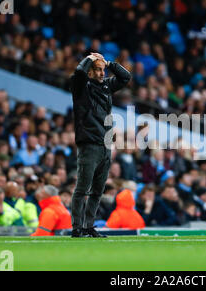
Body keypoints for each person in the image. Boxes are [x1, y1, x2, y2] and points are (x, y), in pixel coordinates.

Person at [69, 52, 131, 238]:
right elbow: (79, 72)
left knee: (97, 190)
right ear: (90, 72)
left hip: (105, 144)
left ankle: (88, 226)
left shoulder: (105, 87)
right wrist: (89, 59)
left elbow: (125, 76)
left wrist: (109, 63)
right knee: (82, 188)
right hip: (89, 144)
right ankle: (77, 227)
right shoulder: (81, 87)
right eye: (97, 69)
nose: (101, 73)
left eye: (102, 70)